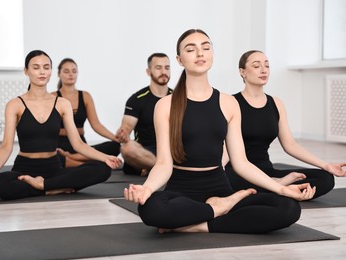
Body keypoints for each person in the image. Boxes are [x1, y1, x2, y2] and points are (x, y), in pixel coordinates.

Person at [124, 29, 315, 234]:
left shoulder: (228, 103)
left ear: (212, 55)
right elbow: (163, 163)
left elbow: (241, 162)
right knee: (151, 209)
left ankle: (199, 225)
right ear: (180, 60)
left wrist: (282, 189)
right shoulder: (165, 105)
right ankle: (215, 210)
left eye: (205, 47)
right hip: (181, 191)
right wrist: (148, 188)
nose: (200, 53)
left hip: (220, 189)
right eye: (191, 49)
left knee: (288, 208)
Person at [0, 50, 122, 200]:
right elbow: (6, 145)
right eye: (36, 68)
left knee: (102, 169)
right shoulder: (15, 105)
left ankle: (43, 185)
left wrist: (105, 158)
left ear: (50, 72)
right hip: (24, 169)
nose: (42, 72)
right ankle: (52, 188)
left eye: (46, 67)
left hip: (53, 168)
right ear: (26, 71)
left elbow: (78, 144)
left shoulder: (62, 104)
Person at [224, 50, 346, 199]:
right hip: (238, 173)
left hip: (266, 170)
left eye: (267, 65)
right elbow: (222, 149)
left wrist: (326, 165)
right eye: (256, 66)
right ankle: (279, 187)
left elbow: (290, 145)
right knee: (228, 183)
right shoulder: (230, 103)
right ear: (242, 72)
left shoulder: (276, 103)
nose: (264, 70)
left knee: (326, 178)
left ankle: (277, 187)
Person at [52, 58, 120, 168]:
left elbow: (96, 125)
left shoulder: (85, 96)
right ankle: (79, 163)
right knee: (53, 156)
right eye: (66, 71)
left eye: (74, 71)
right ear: (59, 74)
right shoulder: (52, 97)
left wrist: (116, 138)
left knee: (115, 146)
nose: (71, 74)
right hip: (59, 144)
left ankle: (72, 159)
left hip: (81, 146)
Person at [116, 53, 173, 176]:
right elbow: (126, 127)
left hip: (172, 150)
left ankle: (153, 169)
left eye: (167, 68)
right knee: (126, 148)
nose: (163, 71)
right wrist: (123, 133)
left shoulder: (179, 98)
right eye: (158, 68)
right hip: (145, 151)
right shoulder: (136, 99)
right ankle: (164, 169)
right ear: (148, 71)